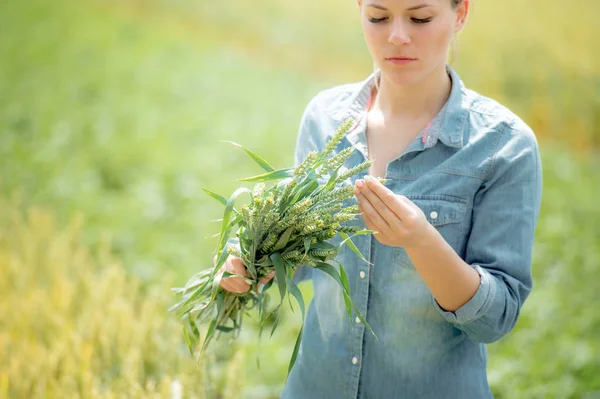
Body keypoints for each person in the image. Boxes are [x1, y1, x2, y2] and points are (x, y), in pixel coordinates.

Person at [218, 0, 543, 397]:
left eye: (420, 17)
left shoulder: (503, 146)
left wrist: (421, 240)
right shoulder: (324, 118)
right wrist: (258, 261)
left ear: (460, 14)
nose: (397, 36)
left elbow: (495, 319)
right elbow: (304, 262)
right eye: (378, 16)